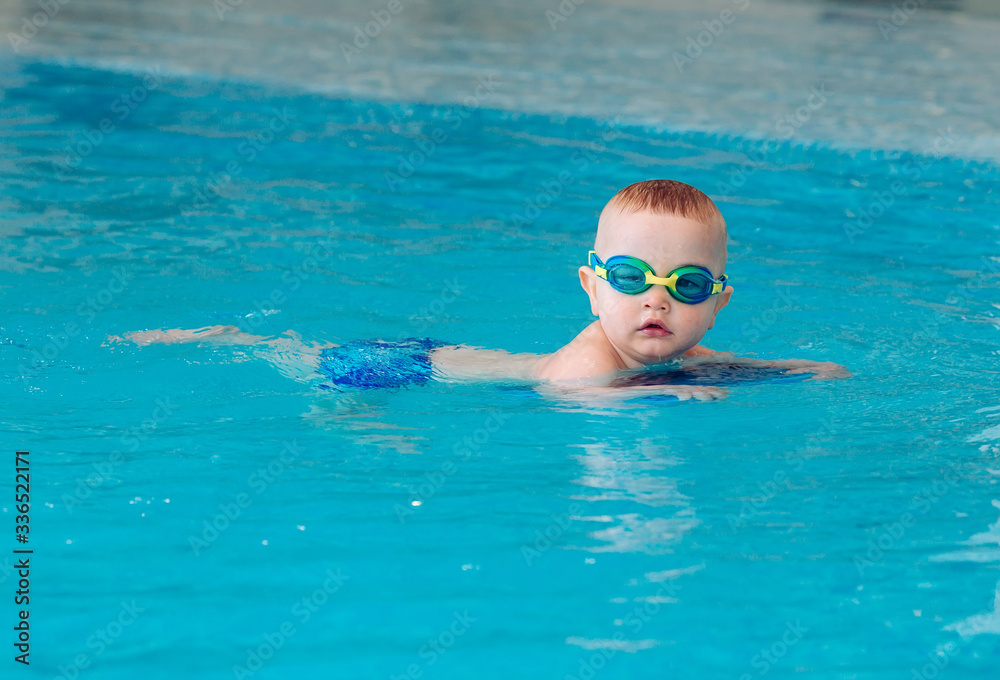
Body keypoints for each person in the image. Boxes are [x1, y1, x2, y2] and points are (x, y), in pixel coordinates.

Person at [105, 179, 849, 400]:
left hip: (442, 356)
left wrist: (792, 371)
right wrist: (664, 393)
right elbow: (572, 396)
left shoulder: (673, 345)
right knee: (299, 367)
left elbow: (715, 365)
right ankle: (221, 340)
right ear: (592, 288)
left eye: (684, 285)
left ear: (716, 301)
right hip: (395, 368)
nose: (656, 300)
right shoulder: (593, 361)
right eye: (630, 279)